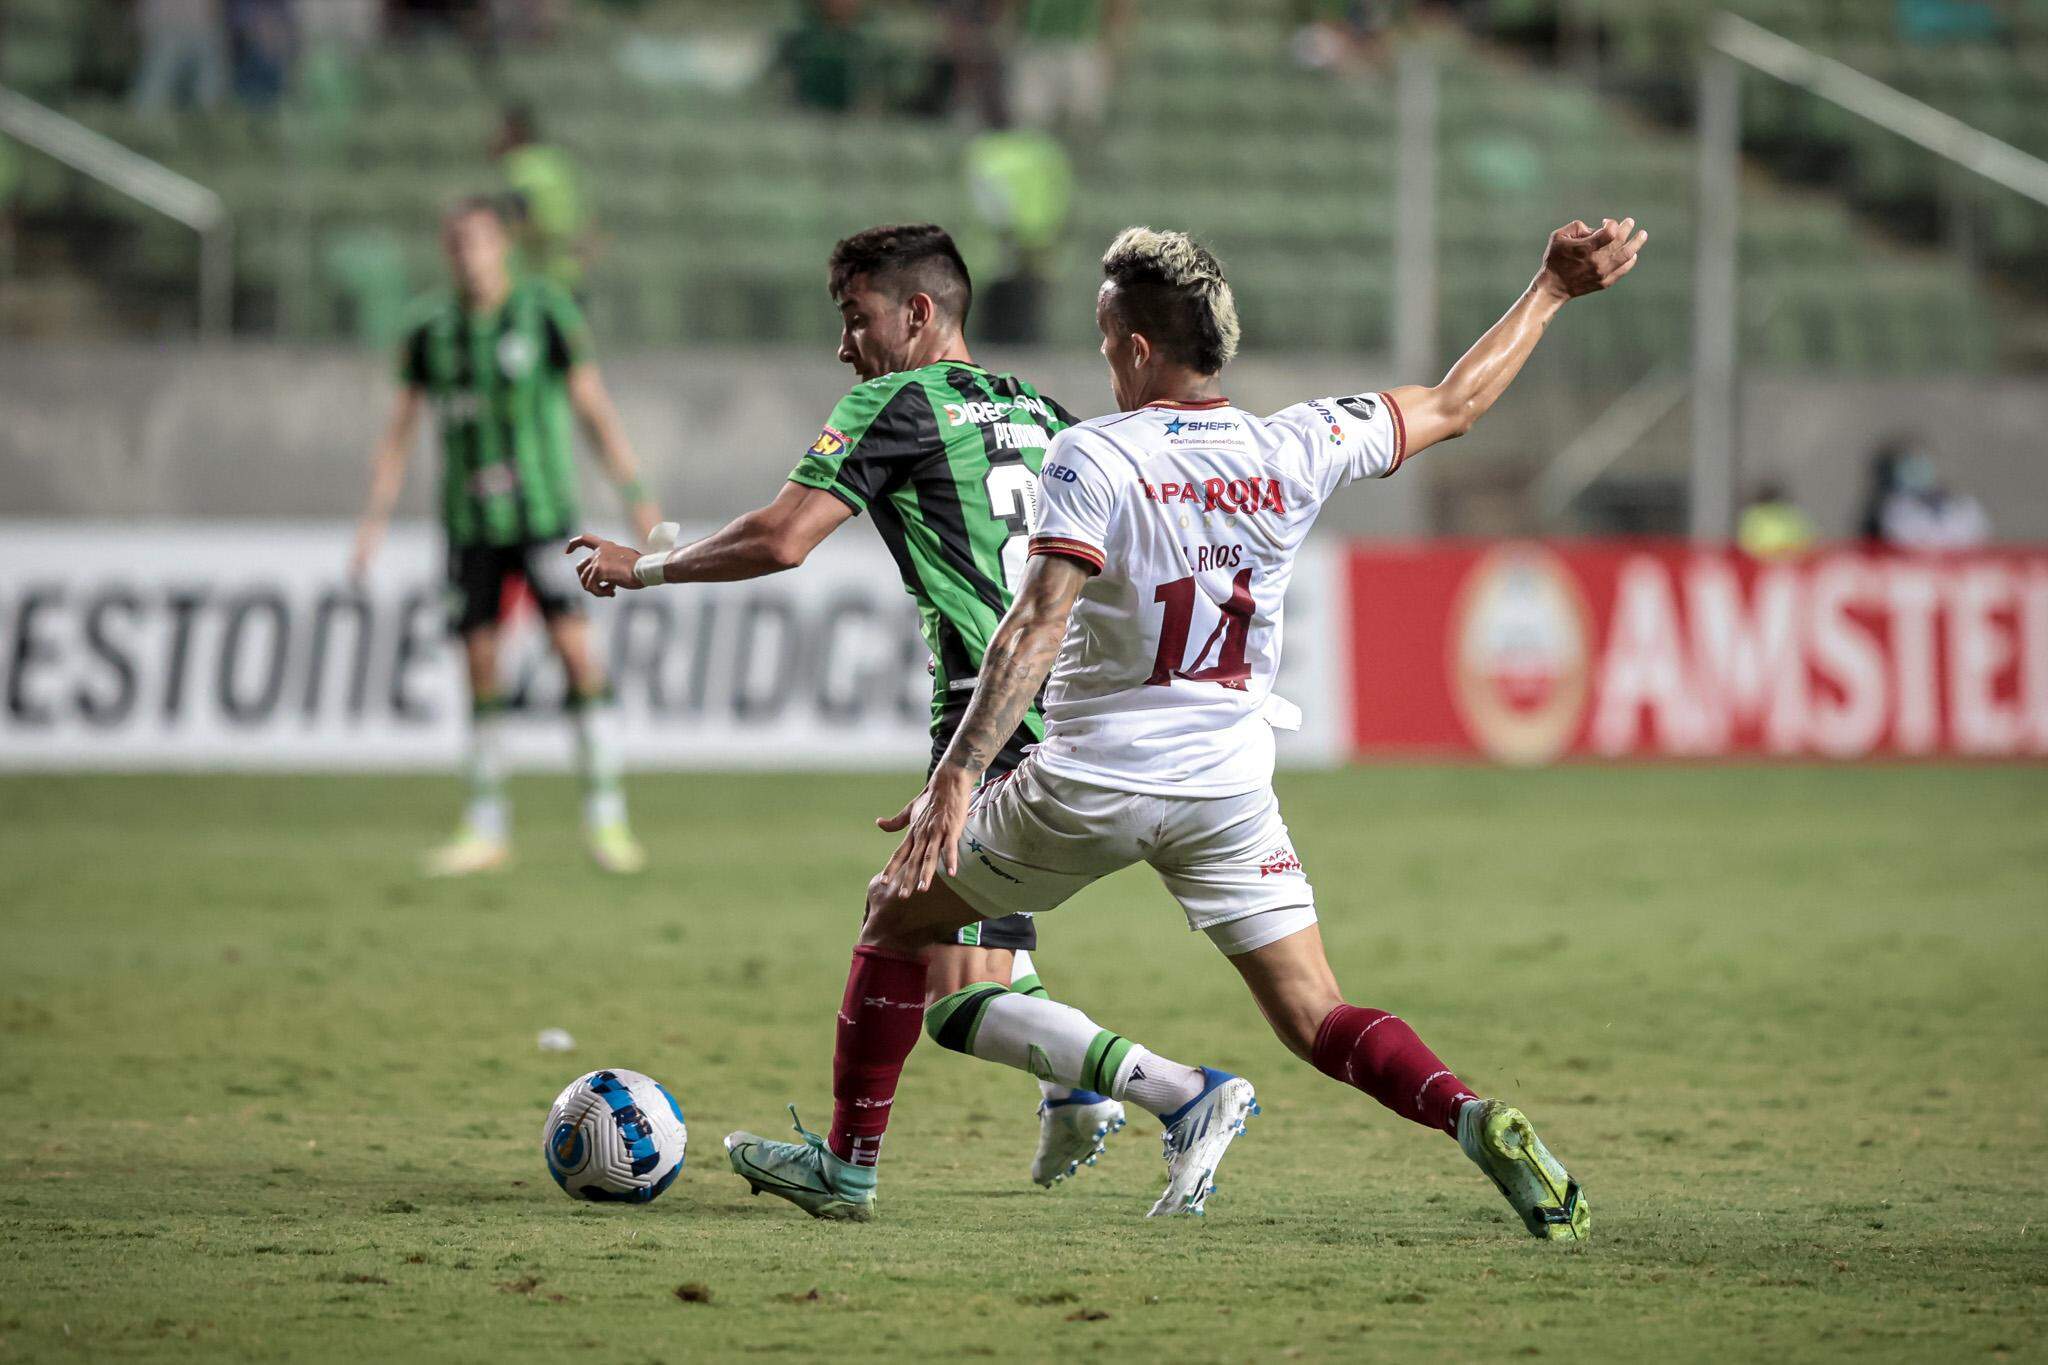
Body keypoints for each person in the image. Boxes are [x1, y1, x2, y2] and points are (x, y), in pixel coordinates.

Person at [717, 214, 1647, 1229]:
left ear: (1136, 346)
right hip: (1228, 789)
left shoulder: (1094, 454)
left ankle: (847, 1169)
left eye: (1106, 334)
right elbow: (1455, 403)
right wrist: (1551, 287)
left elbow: (1031, 626)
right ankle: (1469, 1117)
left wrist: (956, 776)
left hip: (1090, 780)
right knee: (1313, 1013)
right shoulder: (1294, 441)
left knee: (896, 913)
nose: (1101, 353)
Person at [566, 224, 1130, 1191]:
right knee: (965, 948)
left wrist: (646, 564)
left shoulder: (895, 402)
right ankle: (1066, 1092)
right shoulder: (1050, 414)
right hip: (1073, 708)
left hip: (982, 716)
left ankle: (1166, 1089)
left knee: (914, 938)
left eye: (854, 317)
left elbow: (784, 538)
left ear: (917, 314)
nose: (843, 346)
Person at [350, 197, 660, 877]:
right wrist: (372, 521)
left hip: (546, 519)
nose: (469, 255)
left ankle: (606, 815)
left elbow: (594, 411)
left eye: (480, 242)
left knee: (578, 656)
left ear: (503, 247)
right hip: (469, 527)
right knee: (481, 666)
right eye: (457, 243)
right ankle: (487, 825)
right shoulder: (430, 331)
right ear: (445, 250)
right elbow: (398, 433)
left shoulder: (545, 313)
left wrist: (636, 498)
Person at [492, 106, 588, 294]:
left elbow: (523, 222)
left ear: (512, 132)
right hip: (568, 275)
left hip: (533, 283)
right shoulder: (558, 161)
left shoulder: (518, 168)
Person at [1737, 479, 1816, 559]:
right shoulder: (1753, 515)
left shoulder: (1789, 513)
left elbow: (1806, 540)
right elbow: (1745, 542)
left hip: (1788, 561)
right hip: (1761, 562)